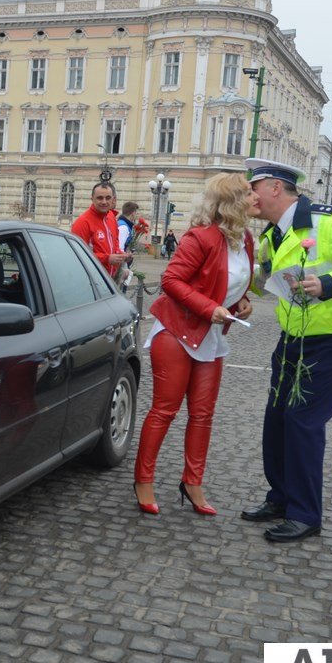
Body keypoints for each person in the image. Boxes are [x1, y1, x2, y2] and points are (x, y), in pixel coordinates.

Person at [240, 158, 332, 543]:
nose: (249, 195)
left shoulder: (331, 220)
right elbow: (265, 280)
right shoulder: (273, 233)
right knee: (277, 416)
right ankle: (281, 497)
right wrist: (237, 292)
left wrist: (330, 282)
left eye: (254, 187)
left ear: (274, 188)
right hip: (294, 337)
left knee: (302, 420)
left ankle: (305, 514)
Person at [133, 173, 257, 517]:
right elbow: (171, 279)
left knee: (203, 415)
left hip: (210, 336)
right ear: (233, 201)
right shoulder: (200, 237)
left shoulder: (244, 239)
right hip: (176, 331)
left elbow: (227, 283)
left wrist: (241, 301)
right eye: (249, 193)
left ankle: (193, 482)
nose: (255, 198)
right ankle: (143, 480)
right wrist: (209, 308)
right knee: (165, 410)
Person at [70, 182, 128, 279]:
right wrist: (107, 258)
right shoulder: (82, 223)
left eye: (108, 198)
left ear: (113, 199)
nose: (104, 202)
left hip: (109, 280)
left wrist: (122, 256)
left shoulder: (111, 217)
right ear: (92, 199)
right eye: (100, 198)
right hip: (90, 280)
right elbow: (78, 254)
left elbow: (115, 245)